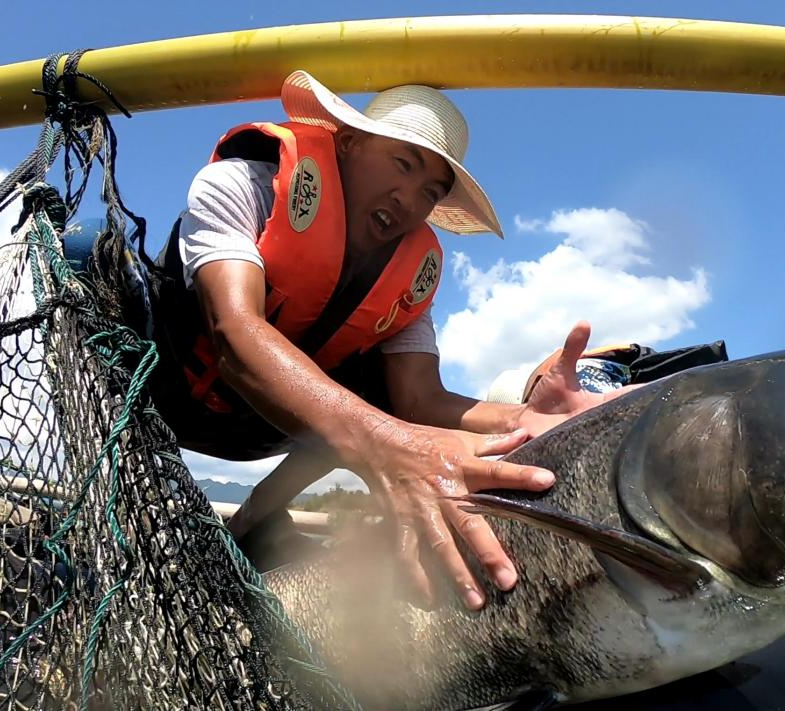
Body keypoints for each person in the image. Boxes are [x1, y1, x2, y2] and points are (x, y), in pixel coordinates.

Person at [146, 70, 618, 611]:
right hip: (164, 392)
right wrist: (390, 446)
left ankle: (252, 522)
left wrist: (525, 421)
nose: (409, 198)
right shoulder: (245, 185)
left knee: (383, 390)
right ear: (348, 144)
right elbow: (234, 333)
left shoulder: (411, 274)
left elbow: (421, 400)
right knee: (88, 252)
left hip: (267, 427)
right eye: (402, 164)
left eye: (430, 191)